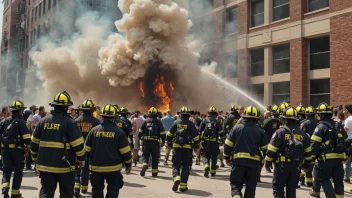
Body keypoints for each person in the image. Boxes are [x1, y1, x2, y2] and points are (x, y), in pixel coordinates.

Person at [30, 91, 86, 198]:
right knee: (66, 193)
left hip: (45, 166)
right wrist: (81, 158)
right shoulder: (70, 122)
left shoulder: (43, 121)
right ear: (66, 107)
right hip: (64, 167)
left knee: (46, 191)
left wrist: (35, 160)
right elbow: (77, 144)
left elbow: (33, 143)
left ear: (54, 106)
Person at [85, 104, 132, 198]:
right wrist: (128, 164)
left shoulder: (94, 131)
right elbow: (125, 152)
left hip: (96, 167)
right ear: (114, 117)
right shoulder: (119, 132)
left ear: (102, 116)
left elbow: (86, 150)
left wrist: (86, 161)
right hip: (113, 169)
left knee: (97, 190)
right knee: (113, 190)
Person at [265, 107, 312, 198]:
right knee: (291, 190)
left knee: (278, 188)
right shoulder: (302, 134)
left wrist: (267, 163)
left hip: (281, 167)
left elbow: (271, 150)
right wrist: (306, 165)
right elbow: (308, 152)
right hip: (295, 166)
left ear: (284, 119)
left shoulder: (279, 132)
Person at [224, 105, 268, 198]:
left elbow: (227, 144)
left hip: (238, 162)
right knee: (251, 187)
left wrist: (227, 158)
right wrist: (263, 161)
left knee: (236, 184)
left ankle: (236, 196)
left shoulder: (236, 128)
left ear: (244, 117)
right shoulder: (260, 131)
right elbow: (265, 149)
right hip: (253, 164)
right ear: (256, 119)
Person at [310, 102, 347, 198]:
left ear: (321, 114)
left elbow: (314, 144)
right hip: (339, 159)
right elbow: (346, 140)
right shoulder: (338, 125)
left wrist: (312, 157)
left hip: (326, 160)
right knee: (338, 181)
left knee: (324, 179)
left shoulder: (320, 126)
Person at [0, 101, 31, 198]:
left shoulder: (4, 121)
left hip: (6, 151)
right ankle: (15, 193)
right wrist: (28, 149)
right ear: (21, 111)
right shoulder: (22, 122)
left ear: (12, 110)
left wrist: (2, 148)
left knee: (6, 171)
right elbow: (27, 138)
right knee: (18, 171)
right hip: (18, 152)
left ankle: (5, 188)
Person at [166, 107, 200, 192]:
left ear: (180, 114)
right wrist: (197, 145)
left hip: (176, 147)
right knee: (186, 166)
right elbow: (196, 137)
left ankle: (176, 177)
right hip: (187, 148)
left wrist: (169, 143)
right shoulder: (191, 124)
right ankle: (183, 186)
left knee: (176, 164)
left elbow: (169, 134)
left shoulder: (176, 122)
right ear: (189, 115)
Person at [74, 99, 101, 197]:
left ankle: (76, 188)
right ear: (92, 110)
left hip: (77, 148)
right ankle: (84, 189)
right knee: (85, 169)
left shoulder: (76, 120)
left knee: (77, 168)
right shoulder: (96, 121)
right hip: (90, 149)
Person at [138, 107, 166, 177]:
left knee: (145, 155)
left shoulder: (145, 121)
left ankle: (144, 164)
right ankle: (154, 172)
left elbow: (140, 132)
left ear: (149, 113)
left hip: (146, 141)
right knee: (155, 157)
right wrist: (163, 141)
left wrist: (140, 138)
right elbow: (162, 133)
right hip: (155, 142)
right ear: (156, 114)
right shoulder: (158, 122)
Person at [199, 106, 224, 177]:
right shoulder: (217, 121)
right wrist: (222, 139)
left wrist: (200, 140)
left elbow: (200, 130)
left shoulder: (204, 120)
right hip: (214, 142)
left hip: (206, 142)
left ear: (209, 113)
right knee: (214, 156)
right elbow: (221, 132)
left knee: (206, 155)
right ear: (215, 113)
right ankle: (213, 171)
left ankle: (206, 166)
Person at [298, 106, 319, 188]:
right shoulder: (319, 123)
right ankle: (309, 181)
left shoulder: (303, 123)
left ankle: (302, 179)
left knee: (305, 163)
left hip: (306, 146)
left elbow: (300, 135)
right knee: (312, 164)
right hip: (316, 146)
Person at [343, 104, 352, 183]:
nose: (343, 111)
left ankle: (347, 177)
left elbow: (345, 131)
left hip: (348, 141)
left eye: (344, 109)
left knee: (347, 160)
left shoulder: (348, 120)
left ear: (347, 110)